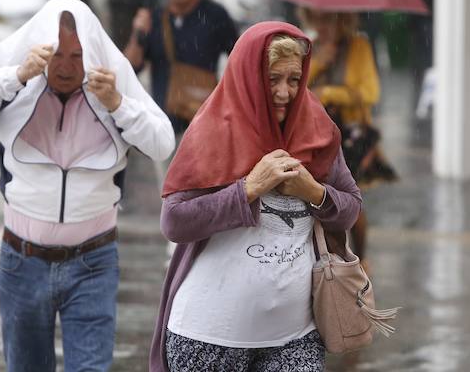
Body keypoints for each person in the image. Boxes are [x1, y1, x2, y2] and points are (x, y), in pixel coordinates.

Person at [0, 0, 174, 372]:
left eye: (77, 55)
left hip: (93, 262)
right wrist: (17, 75)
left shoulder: (107, 86)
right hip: (22, 261)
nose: (66, 66)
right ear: (41, 50)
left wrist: (118, 103)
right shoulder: (20, 77)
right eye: (57, 54)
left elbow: (162, 141)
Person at [149, 21, 362, 372]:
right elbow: (174, 221)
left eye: (294, 80)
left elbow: (350, 209)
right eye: (272, 79)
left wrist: (314, 192)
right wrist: (248, 188)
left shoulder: (317, 129)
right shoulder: (214, 129)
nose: (284, 92)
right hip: (208, 338)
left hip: (296, 336)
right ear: (249, 77)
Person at [300, 8, 394, 272]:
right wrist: (318, 62)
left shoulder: (358, 46)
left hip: (351, 135)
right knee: (321, 198)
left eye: (328, 17)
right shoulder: (310, 48)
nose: (322, 24)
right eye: (316, 18)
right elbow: (298, 89)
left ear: (342, 19)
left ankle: (360, 258)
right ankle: (330, 257)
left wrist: (328, 93)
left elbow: (370, 92)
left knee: (352, 198)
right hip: (319, 135)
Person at [123, 0, 238, 134]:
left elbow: (238, 59)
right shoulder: (155, 19)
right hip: (164, 127)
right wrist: (138, 32)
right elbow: (129, 68)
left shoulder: (215, 16)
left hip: (205, 124)